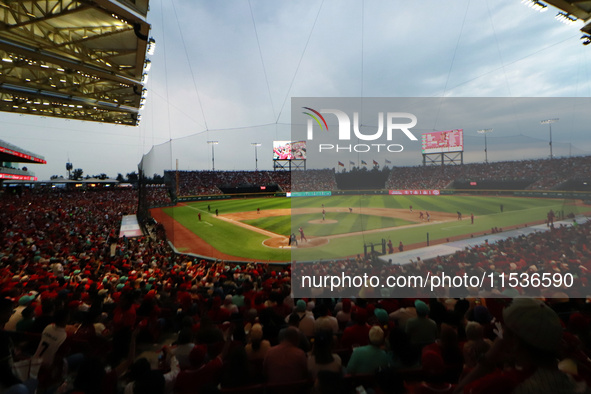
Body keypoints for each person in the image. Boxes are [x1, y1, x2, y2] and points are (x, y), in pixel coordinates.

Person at [455, 298, 574, 394]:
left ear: (514, 341)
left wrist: (488, 360)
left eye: (505, 327)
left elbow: (459, 391)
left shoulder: (507, 383)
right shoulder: (576, 379)